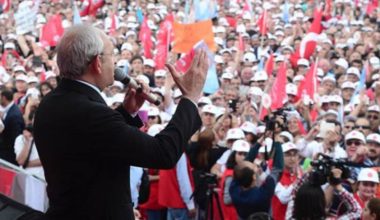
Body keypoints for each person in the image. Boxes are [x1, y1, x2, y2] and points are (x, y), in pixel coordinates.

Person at [33, 24, 208, 220]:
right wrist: (190, 100)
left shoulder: (49, 103)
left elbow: (93, 146)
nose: (116, 64)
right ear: (97, 63)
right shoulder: (92, 114)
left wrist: (126, 112)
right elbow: (163, 153)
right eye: (111, 56)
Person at [0, 88, 25, 165]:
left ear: (3, 98)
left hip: (10, 156)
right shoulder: (8, 110)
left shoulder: (14, 114)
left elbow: (16, 137)